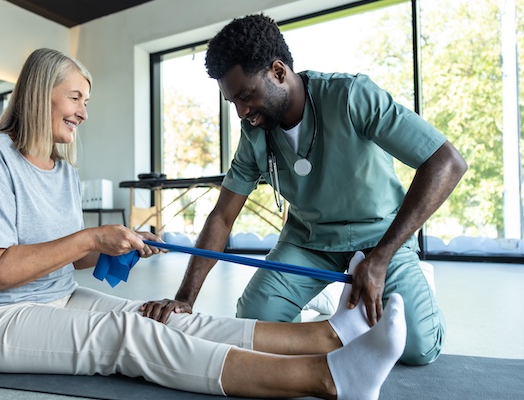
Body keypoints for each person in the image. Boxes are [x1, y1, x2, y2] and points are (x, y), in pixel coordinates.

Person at [0, 47, 408, 399]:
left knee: (160, 317)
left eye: (86, 100)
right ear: (36, 93)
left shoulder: (62, 170)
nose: (84, 111)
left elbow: (71, 256)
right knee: (131, 335)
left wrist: (112, 245)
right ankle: (328, 378)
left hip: (56, 297)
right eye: (75, 97)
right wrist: (91, 236)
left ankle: (328, 335)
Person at [140, 14, 468, 367]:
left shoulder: (351, 95)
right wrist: (185, 299)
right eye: (232, 102)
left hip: (381, 236)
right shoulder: (255, 134)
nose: (241, 112)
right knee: (254, 319)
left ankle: (404, 284)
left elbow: (446, 162)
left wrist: (382, 257)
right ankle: (334, 307)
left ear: (279, 72)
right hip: (309, 241)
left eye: (247, 96)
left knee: (418, 348)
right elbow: (222, 215)